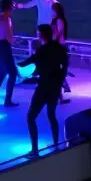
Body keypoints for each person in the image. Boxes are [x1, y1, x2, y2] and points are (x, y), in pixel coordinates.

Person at [19, 25, 68, 155]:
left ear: (41, 35)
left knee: (31, 117)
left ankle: (35, 149)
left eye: (38, 33)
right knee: (52, 115)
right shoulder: (60, 48)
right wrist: (59, 82)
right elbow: (64, 67)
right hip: (55, 88)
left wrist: (18, 67)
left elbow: (33, 65)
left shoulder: (41, 50)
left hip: (43, 87)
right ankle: (56, 144)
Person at [0, 0, 19, 107]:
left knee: (1, 74)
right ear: (9, 8)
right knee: (13, 73)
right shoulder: (7, 19)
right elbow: (10, 38)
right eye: (13, 7)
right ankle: (7, 100)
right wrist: (16, 41)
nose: (13, 9)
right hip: (4, 47)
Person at [51, 1, 72, 102]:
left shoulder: (59, 20)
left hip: (59, 47)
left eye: (52, 10)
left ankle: (64, 86)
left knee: (59, 71)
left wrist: (53, 42)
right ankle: (62, 90)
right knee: (58, 71)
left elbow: (59, 32)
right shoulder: (56, 19)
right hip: (58, 46)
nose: (51, 12)